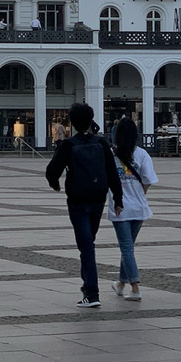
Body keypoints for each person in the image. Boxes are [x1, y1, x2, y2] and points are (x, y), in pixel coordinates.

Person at [45, 102, 123, 309]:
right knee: (89, 241)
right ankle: (89, 285)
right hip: (98, 198)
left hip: (78, 200)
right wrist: (119, 199)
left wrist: (56, 184)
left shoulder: (69, 145)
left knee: (86, 245)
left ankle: (91, 292)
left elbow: (52, 170)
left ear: (72, 121)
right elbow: (112, 172)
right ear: (91, 120)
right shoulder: (101, 143)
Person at [108, 116, 157, 302]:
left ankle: (135, 287)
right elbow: (148, 181)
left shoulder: (112, 156)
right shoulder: (142, 154)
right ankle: (120, 284)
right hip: (139, 208)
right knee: (127, 248)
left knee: (126, 248)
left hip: (119, 208)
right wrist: (140, 195)